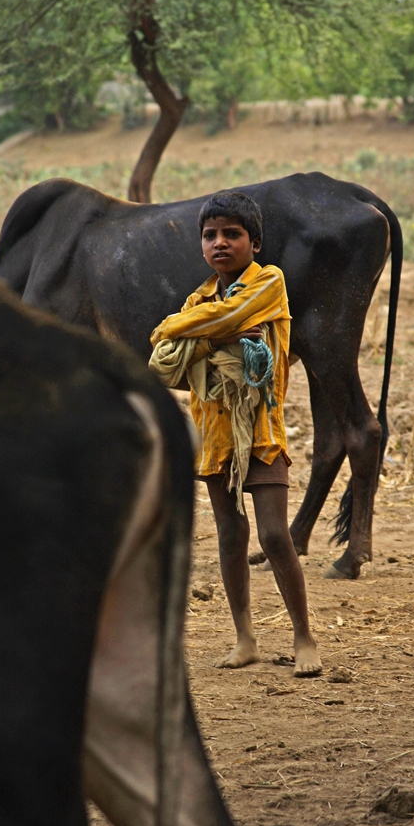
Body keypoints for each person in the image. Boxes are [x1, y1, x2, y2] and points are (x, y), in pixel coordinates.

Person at [149, 191, 321, 676]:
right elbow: (161, 363)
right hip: (215, 432)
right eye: (210, 235)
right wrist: (220, 339)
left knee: (273, 535)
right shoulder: (197, 298)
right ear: (201, 245)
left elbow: (178, 334)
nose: (220, 243)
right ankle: (244, 639)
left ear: (255, 242)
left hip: (261, 430)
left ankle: (304, 636)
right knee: (229, 535)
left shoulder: (270, 283)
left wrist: (190, 336)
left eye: (232, 234)